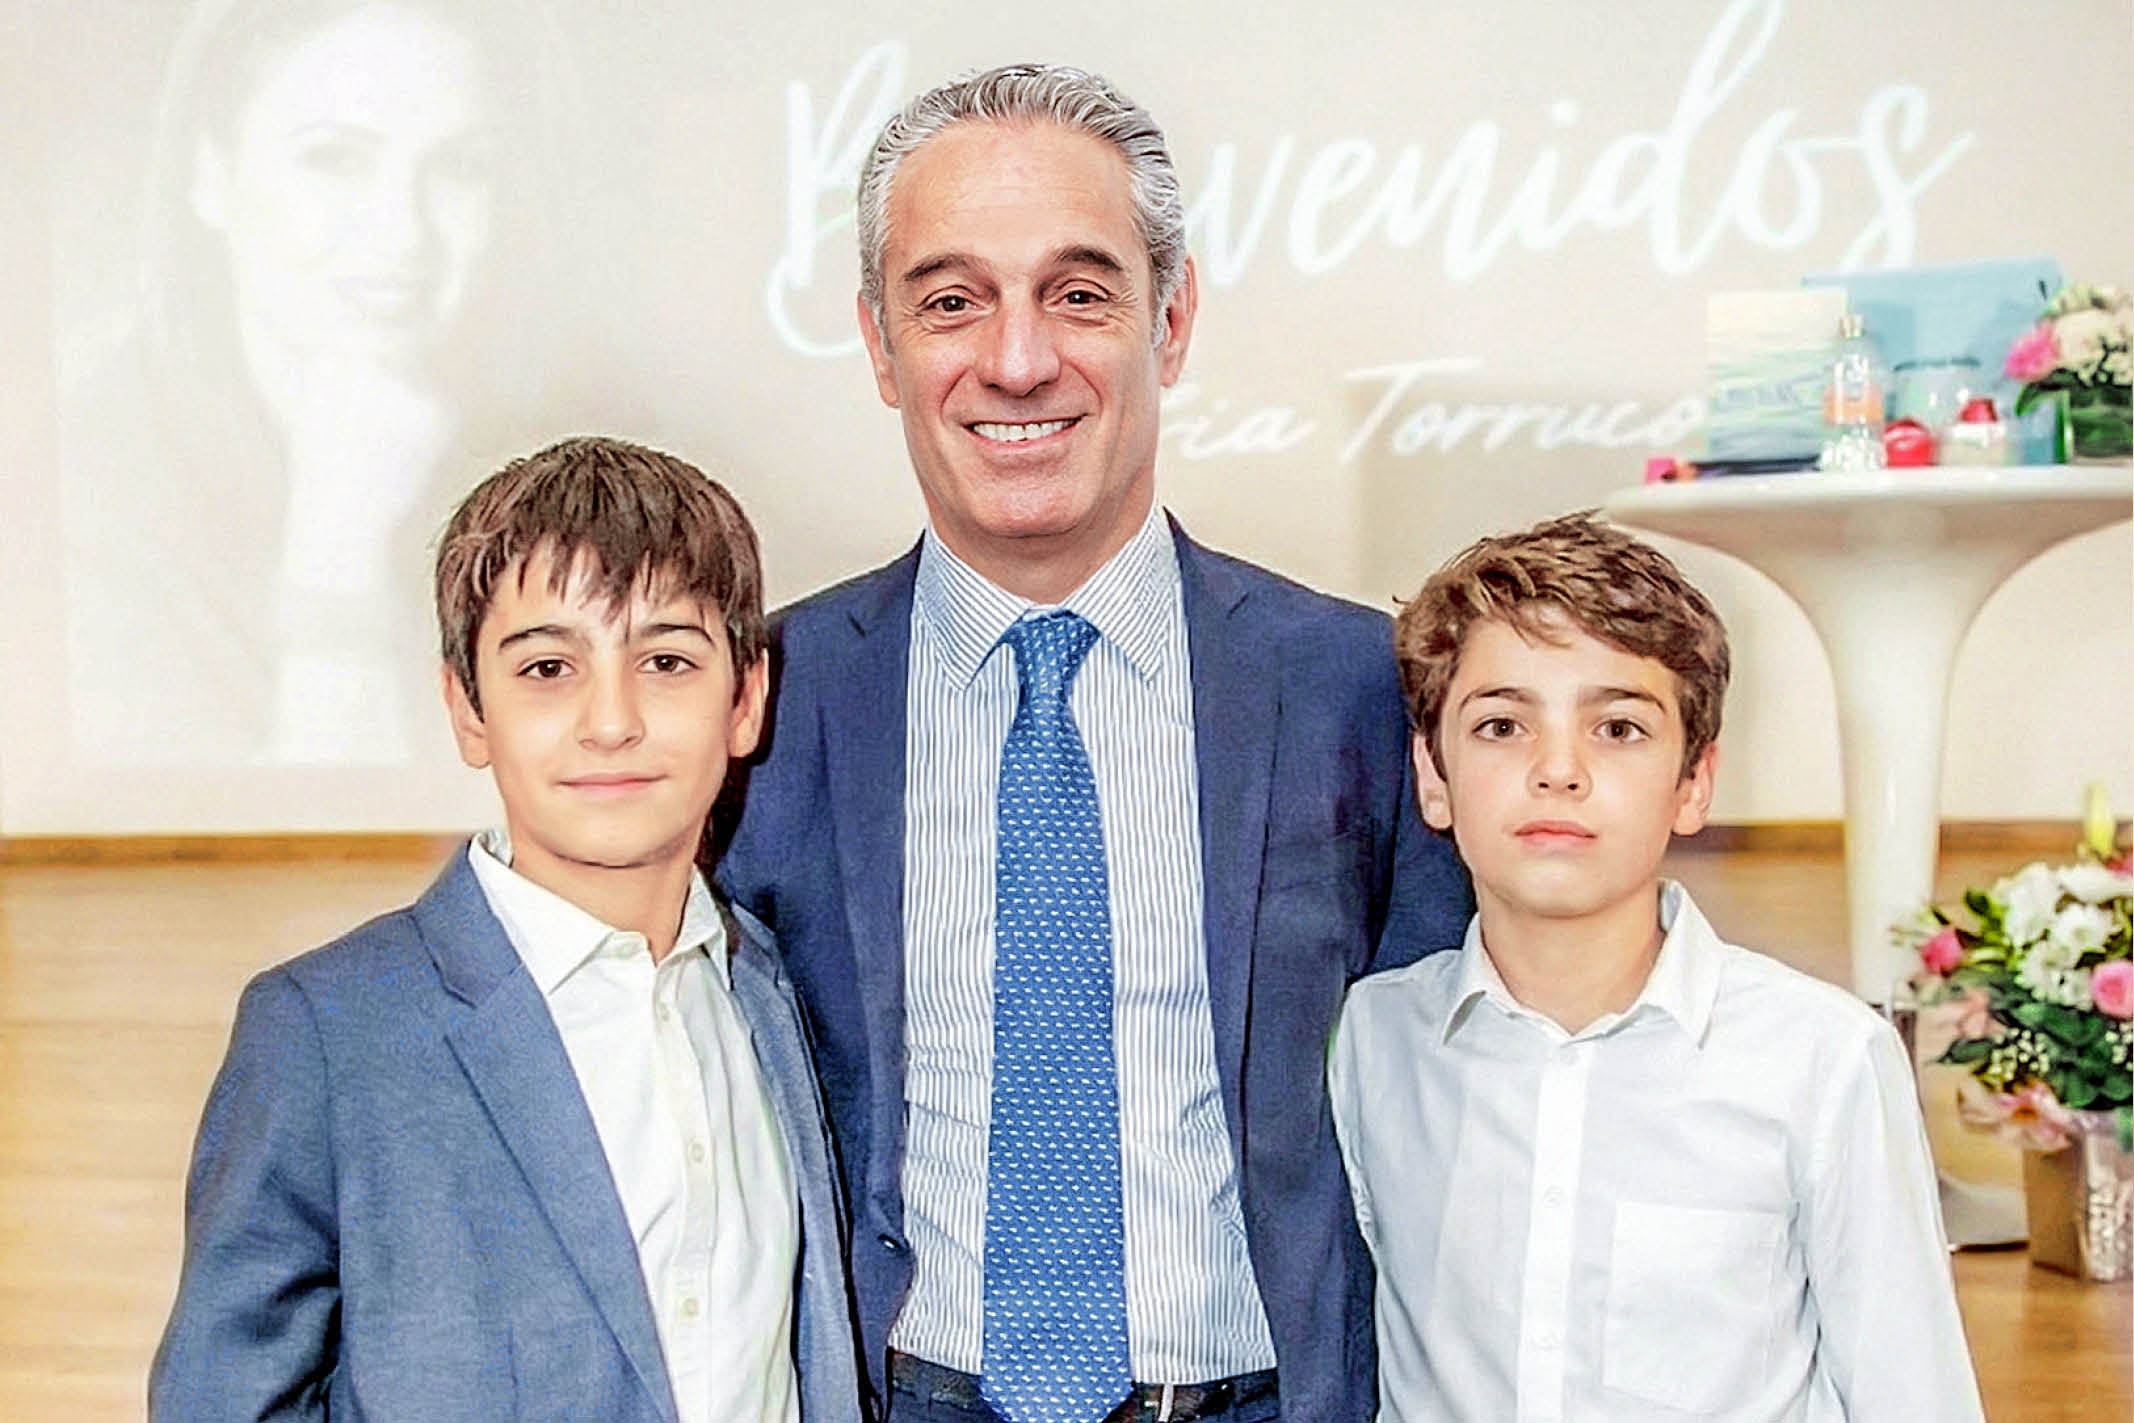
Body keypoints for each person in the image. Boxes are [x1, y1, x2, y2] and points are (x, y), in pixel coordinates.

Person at [718, 64, 1472, 1423]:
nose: (1016, 360)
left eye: (1077, 293)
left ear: (1169, 321)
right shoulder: (765, 706)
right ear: (879, 344)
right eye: (951, 301)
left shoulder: (1355, 686)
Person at [151, 437, 859, 1421]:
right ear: (468, 709)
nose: (610, 721)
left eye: (665, 660)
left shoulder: (774, 993)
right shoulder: (324, 1033)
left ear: (746, 699)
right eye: (547, 667)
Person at [1330, 512, 1984, 1421]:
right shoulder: (1374, 1042)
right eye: (1503, 724)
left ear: (1694, 782)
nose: (1559, 769)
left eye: (1619, 727)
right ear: (1433, 777)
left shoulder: (1822, 1061)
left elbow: (1913, 1396)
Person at [64, 0, 586, 766]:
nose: (402, 232)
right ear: (212, 175)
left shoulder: (548, 447)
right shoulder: (78, 496)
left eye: (458, 168)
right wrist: (338, 548)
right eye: (334, 160)